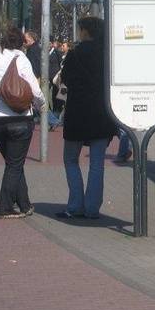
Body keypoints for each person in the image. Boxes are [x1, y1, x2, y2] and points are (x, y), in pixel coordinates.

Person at [0, 27, 45, 219]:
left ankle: (24, 205)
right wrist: (42, 105)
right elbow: (34, 90)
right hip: (19, 118)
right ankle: (5, 207)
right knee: (14, 164)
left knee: (14, 162)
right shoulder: (20, 59)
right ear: (21, 44)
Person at [58, 17, 117, 219]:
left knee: (71, 159)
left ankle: (75, 205)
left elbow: (64, 78)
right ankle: (93, 208)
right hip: (102, 114)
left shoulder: (76, 53)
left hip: (78, 114)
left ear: (85, 31)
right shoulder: (107, 53)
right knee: (97, 164)